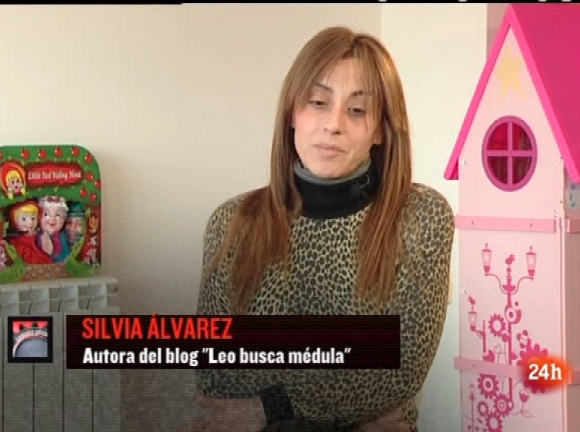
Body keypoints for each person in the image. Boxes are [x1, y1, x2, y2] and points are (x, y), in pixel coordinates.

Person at [180, 26, 454, 432]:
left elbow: (398, 370)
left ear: (380, 129)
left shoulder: (421, 217)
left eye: (357, 110)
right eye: (318, 102)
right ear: (292, 112)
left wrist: (267, 406)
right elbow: (216, 378)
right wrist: (353, 394)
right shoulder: (233, 222)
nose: (333, 125)